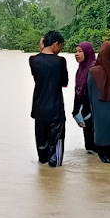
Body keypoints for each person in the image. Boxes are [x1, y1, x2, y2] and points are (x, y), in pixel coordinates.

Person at [29, 31, 68, 167]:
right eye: (60, 47)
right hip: (56, 111)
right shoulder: (61, 62)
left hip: (39, 109)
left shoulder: (33, 60)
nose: (60, 50)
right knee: (55, 159)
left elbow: (37, 74)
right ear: (56, 44)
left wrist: (42, 49)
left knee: (42, 152)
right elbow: (65, 83)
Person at [71, 41, 97, 154]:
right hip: (85, 113)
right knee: (89, 149)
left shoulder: (94, 69)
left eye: (80, 51)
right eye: (76, 51)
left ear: (88, 52)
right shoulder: (80, 70)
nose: (76, 54)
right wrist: (76, 111)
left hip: (94, 113)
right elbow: (77, 91)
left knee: (96, 146)